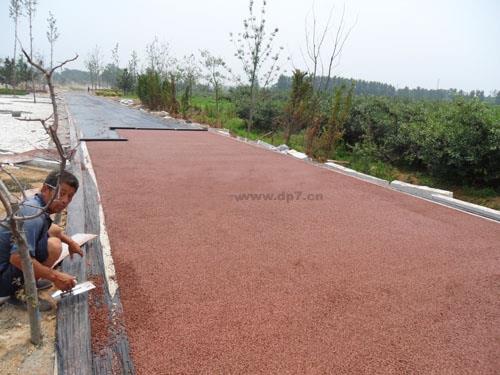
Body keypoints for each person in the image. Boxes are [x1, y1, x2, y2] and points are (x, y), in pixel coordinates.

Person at [0, 170, 83, 310]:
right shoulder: (33, 215)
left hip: (5, 262)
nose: (65, 201)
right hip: (2, 276)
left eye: (70, 196)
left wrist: (71, 243)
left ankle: (28, 280)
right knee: (54, 246)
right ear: (45, 189)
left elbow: (54, 229)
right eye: (61, 193)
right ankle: (18, 292)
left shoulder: (36, 205)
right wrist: (56, 277)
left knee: (54, 239)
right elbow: (17, 258)